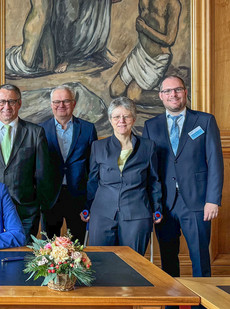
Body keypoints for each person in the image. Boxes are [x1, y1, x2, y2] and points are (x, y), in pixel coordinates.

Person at [143, 76, 223, 277]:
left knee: (200, 259)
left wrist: (212, 200)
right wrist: (150, 205)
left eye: (177, 89)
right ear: (161, 96)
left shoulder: (205, 121)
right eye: (168, 91)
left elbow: (215, 162)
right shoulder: (151, 126)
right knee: (168, 263)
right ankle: (172, 306)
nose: (173, 94)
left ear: (185, 92)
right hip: (164, 204)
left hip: (197, 203)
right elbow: (148, 170)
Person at [0, 84, 55, 243]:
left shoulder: (35, 132)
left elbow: (43, 174)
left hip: (25, 210)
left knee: (23, 257)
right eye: (2, 101)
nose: (6, 106)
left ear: (19, 103)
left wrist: (39, 206)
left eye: (12, 101)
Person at [86, 97, 162, 256]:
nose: (121, 121)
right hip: (102, 214)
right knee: (100, 262)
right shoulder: (98, 147)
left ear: (133, 119)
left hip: (137, 214)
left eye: (126, 116)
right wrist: (87, 207)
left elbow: (154, 181)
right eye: (116, 117)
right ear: (110, 120)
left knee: (133, 264)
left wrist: (157, 208)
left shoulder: (148, 147)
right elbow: (92, 181)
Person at [39, 85, 97, 243]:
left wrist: (90, 200)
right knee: (48, 247)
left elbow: (93, 167)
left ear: (74, 103)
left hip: (78, 196)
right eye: (57, 101)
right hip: (50, 198)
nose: (61, 105)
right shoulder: (40, 130)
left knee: (78, 246)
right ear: (51, 104)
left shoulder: (88, 129)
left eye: (66, 101)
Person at [109, 0, 181, 103]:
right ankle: (155, 86)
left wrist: (144, 28)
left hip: (156, 59)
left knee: (132, 96)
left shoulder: (173, 4)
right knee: (115, 90)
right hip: (140, 52)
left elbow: (169, 40)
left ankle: (172, 96)